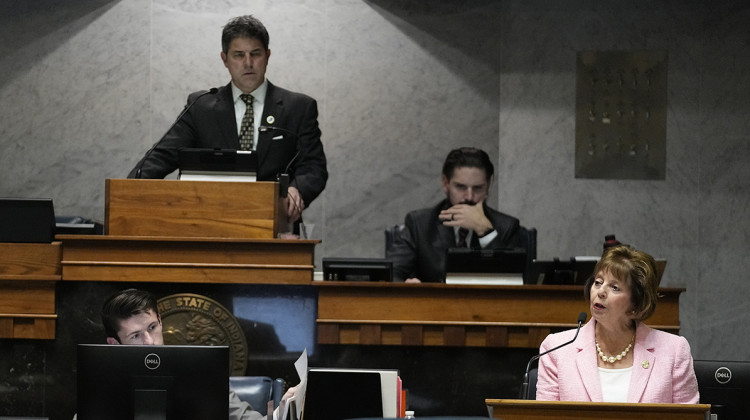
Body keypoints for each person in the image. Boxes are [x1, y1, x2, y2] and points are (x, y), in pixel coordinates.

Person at [128, 15, 327, 224]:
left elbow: (313, 167)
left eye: (255, 54)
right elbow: (159, 158)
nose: (248, 63)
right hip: (213, 225)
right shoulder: (201, 107)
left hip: (276, 227)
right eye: (239, 55)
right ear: (225, 59)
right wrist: (128, 192)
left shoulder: (298, 107)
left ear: (267, 56)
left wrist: (298, 190)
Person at [97, 288, 296, 420]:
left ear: (160, 320)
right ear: (114, 343)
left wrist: (282, 411)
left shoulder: (199, 371)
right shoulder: (107, 385)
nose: (149, 342)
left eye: (152, 327)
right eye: (135, 336)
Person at [535, 245, 700, 403]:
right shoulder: (556, 349)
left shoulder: (674, 351)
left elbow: (688, 416)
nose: (600, 292)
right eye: (598, 282)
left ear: (636, 303)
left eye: (614, 287)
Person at [388, 147, 521, 283]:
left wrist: (485, 231)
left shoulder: (507, 227)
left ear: (487, 187)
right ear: (446, 183)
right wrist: (407, 288)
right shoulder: (420, 224)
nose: (469, 197)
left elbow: (513, 282)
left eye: (478, 188)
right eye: (461, 187)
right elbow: (391, 273)